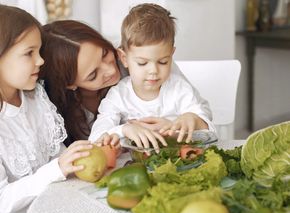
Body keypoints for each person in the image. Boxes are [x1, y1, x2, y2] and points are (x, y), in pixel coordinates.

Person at [39, 19, 213, 148]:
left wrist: (180, 122)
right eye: (93, 74)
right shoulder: (53, 108)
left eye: (105, 54)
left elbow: (200, 112)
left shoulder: (147, 62)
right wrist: (124, 129)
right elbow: (96, 140)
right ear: (70, 84)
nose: (110, 70)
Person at [0, 5, 96, 213]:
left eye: (39, 51)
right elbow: (2, 202)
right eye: (29, 53)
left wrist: (84, 157)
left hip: (60, 209)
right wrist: (56, 169)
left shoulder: (36, 98)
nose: (41, 61)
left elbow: (59, 157)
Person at [88, 3, 215, 152]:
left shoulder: (180, 89)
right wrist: (124, 130)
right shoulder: (118, 95)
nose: (153, 71)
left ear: (172, 54)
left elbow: (210, 133)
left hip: (175, 163)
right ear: (124, 58)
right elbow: (95, 137)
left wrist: (194, 120)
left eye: (163, 62)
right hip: (133, 167)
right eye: (142, 63)